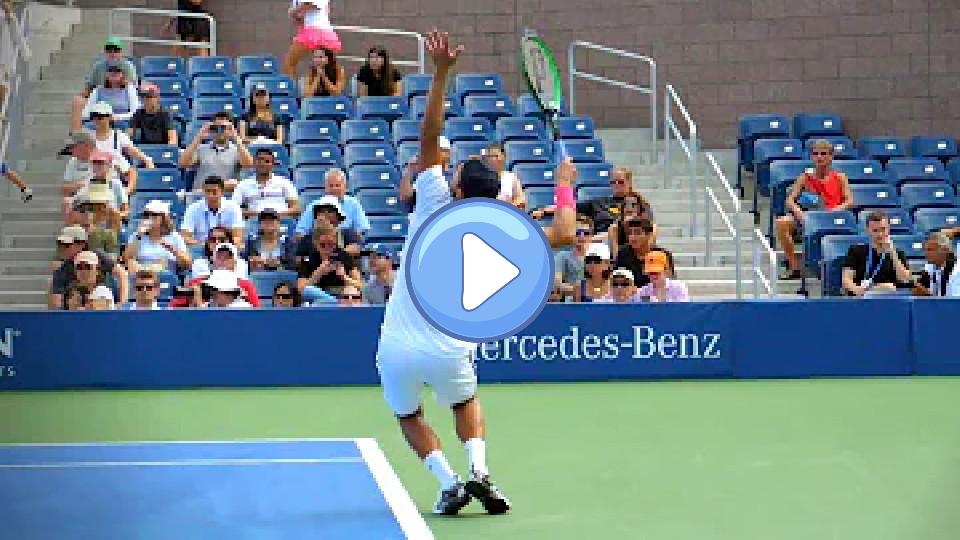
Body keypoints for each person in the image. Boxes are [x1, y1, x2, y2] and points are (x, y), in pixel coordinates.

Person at [374, 31, 575, 517]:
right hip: (451, 347)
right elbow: (566, 235)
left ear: (456, 185)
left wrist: (441, 74)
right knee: (465, 404)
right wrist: (564, 185)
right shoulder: (506, 228)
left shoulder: (432, 203)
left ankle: (448, 484)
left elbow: (427, 136)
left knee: (408, 414)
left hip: (397, 346)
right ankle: (480, 471)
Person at [777, 139, 854, 279]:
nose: (819, 157)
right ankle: (795, 267)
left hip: (832, 218)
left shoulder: (840, 177)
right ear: (811, 157)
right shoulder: (804, 177)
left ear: (831, 156)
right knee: (782, 223)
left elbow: (849, 201)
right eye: (816, 154)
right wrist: (797, 211)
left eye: (823, 154)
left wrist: (836, 210)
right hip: (810, 219)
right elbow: (790, 200)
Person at [178, 111, 254, 194]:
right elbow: (183, 163)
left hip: (226, 197)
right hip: (201, 196)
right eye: (216, 127)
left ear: (230, 129)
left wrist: (235, 137)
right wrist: (199, 137)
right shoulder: (201, 148)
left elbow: (249, 165)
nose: (219, 131)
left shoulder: (237, 150)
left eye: (223, 127)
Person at [841, 211, 912, 297]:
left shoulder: (898, 253)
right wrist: (858, 290)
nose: (880, 234)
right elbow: (846, 279)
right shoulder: (856, 251)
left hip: (889, 300)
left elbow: (905, 279)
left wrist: (893, 253)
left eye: (883, 229)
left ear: (888, 228)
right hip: (861, 299)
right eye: (875, 231)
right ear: (868, 230)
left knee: (888, 287)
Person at [123, 200, 192, 274]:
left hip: (165, 275)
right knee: (131, 262)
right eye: (146, 215)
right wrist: (139, 236)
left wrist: (171, 248)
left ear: (163, 218)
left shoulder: (174, 236)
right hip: (142, 275)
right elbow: (126, 259)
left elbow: (187, 264)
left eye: (154, 214)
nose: (149, 217)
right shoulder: (136, 235)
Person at [179, 176, 245, 247]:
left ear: (222, 192)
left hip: (225, 248)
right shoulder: (193, 208)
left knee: (240, 246)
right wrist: (207, 245)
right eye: (207, 191)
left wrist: (220, 246)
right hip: (201, 247)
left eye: (214, 192)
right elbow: (185, 237)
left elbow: (237, 237)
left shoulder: (233, 207)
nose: (210, 195)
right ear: (203, 191)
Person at [73, 64, 140, 132]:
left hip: (121, 121)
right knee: (86, 129)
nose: (114, 73)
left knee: (125, 128)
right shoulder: (97, 90)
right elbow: (87, 110)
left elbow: (135, 112)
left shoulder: (129, 88)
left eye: (117, 71)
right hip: (100, 120)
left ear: (122, 74)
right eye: (110, 71)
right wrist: (95, 118)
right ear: (106, 74)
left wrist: (118, 117)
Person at [283, 0, 341, 77]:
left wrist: (294, 11)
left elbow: (311, 4)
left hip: (314, 33)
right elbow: (302, 17)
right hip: (325, 34)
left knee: (289, 63)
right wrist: (296, 16)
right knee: (325, 67)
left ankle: (291, 88)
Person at [913, 231, 959, 297]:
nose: (926, 253)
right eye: (925, 250)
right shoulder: (929, 267)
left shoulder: (957, 270)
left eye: (930, 250)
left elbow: (955, 302)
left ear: (945, 250)